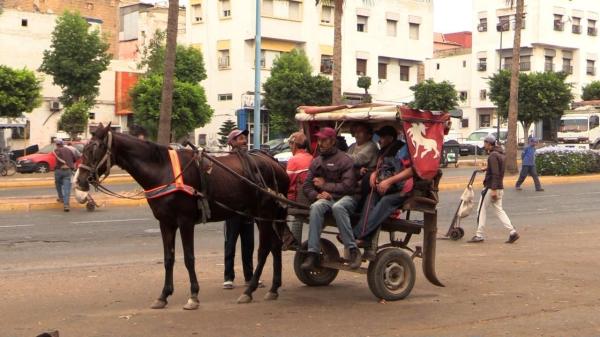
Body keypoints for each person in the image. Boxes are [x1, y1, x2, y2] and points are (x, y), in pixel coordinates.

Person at [302, 127, 361, 269]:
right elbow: (307, 186)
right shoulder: (316, 161)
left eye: (324, 140)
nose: (320, 143)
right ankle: (313, 254)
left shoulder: (345, 160)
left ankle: (353, 250)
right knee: (316, 206)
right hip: (327, 198)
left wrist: (326, 188)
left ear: (333, 141)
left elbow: (348, 186)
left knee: (338, 207)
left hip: (348, 198)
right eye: (319, 140)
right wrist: (317, 195)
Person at [353, 126, 413, 249]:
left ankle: (358, 234)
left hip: (403, 188)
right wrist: (374, 174)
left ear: (390, 138)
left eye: (382, 137)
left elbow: (410, 171)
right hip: (388, 186)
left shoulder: (402, 149)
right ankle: (365, 237)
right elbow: (380, 168)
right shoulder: (384, 151)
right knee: (371, 196)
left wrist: (389, 181)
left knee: (386, 201)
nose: (379, 140)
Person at [468, 135, 520, 244]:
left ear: (489, 144)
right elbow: (497, 168)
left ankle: (479, 235)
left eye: (485, 143)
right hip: (499, 187)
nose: (484, 145)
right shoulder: (500, 154)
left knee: (481, 210)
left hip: (491, 187)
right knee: (499, 211)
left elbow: (496, 173)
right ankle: (512, 232)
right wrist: (486, 168)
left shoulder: (492, 156)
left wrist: (493, 190)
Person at [222, 129, 257, 289]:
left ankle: (249, 277)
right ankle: (228, 277)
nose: (244, 141)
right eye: (240, 139)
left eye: (245, 138)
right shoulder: (225, 162)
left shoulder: (251, 160)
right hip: (232, 210)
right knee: (230, 243)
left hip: (249, 209)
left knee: (248, 245)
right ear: (232, 143)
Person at [285, 131, 313, 242]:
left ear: (295, 145)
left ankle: (288, 238)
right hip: (309, 196)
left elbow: (288, 183)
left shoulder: (294, 160)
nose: (290, 147)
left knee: (273, 206)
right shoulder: (311, 157)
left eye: (291, 144)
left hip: (298, 199)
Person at [53, 138, 77, 212]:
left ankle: (61, 198)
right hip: (68, 171)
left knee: (58, 183)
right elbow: (75, 158)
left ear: (57, 144)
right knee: (67, 189)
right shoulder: (69, 150)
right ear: (62, 144)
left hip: (59, 170)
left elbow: (57, 158)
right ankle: (66, 205)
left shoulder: (56, 151)